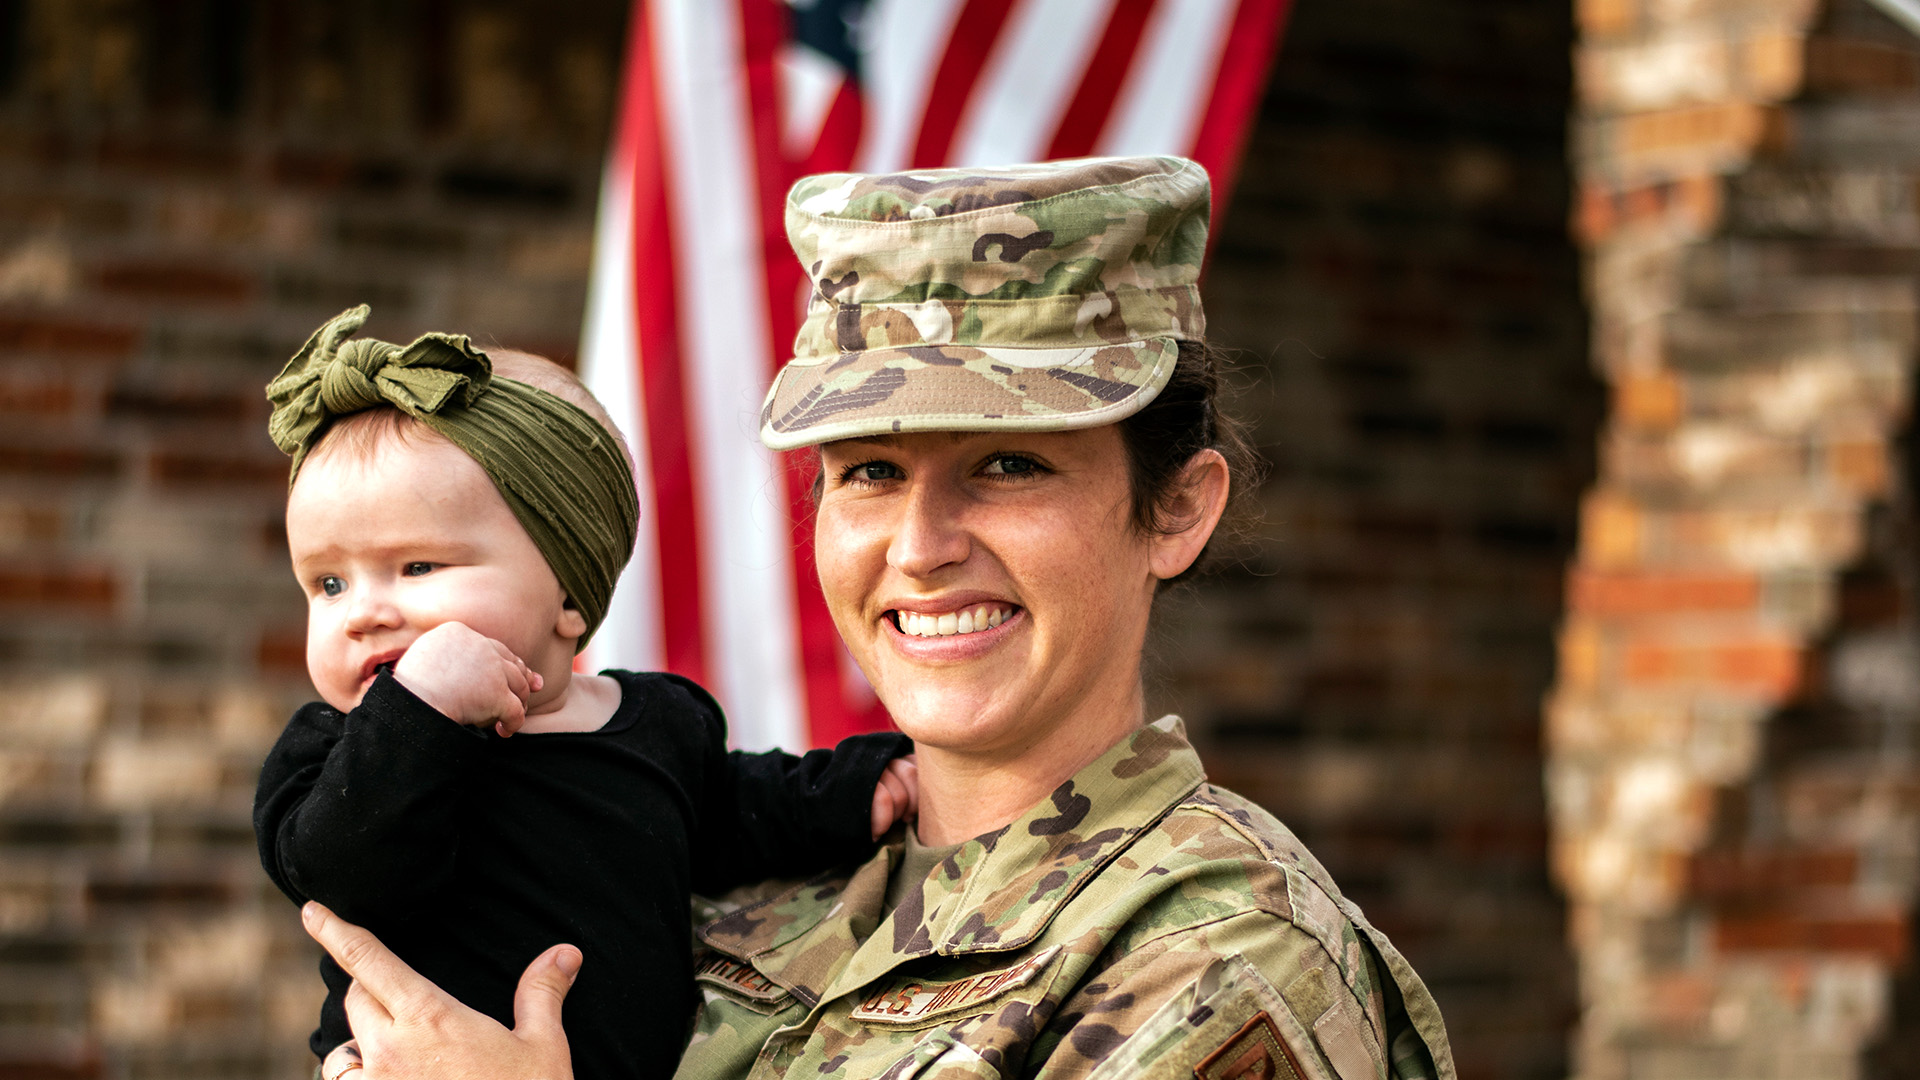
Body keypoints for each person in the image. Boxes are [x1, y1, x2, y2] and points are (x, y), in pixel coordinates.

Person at [301, 156, 1457, 1080]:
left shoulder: (1218, 954)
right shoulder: (742, 877)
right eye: (867, 472)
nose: (920, 546)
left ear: (1176, 510)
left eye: (1009, 463)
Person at [252, 305, 918, 1080]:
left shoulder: (658, 724)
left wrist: (850, 791)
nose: (364, 612)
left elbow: (739, 809)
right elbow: (342, 875)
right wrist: (418, 714)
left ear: (570, 594)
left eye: (417, 568)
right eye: (328, 584)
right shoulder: (332, 752)